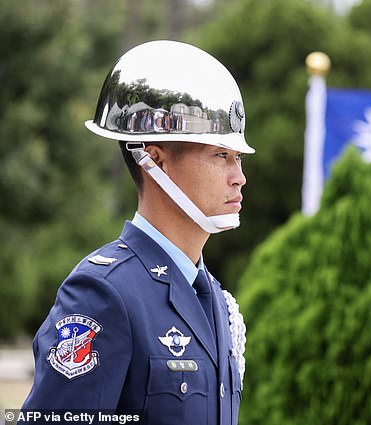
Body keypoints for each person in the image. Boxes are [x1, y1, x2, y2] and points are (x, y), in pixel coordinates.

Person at [20, 40, 250, 425]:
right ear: (153, 159)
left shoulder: (216, 299)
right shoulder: (102, 293)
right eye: (220, 155)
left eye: (238, 157)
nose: (238, 177)